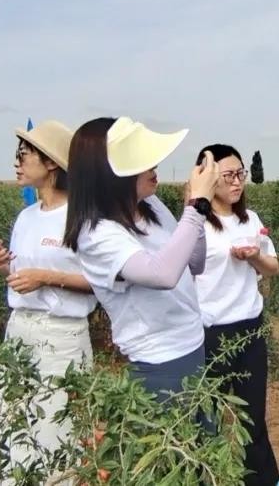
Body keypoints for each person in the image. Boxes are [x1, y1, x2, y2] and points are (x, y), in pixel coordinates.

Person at [63, 116, 218, 402]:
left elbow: (194, 264)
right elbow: (163, 275)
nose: (154, 167)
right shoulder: (96, 235)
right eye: (142, 162)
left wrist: (193, 212)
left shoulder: (150, 205)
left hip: (193, 344)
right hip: (159, 361)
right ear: (110, 173)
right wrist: (197, 209)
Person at [0, 120, 98, 485]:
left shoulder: (83, 217)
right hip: (20, 332)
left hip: (62, 338)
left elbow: (101, 283)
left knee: (55, 430)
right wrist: (4, 266)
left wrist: (46, 277)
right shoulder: (26, 217)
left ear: (50, 163)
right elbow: (22, 279)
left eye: (23, 154)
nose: (17, 162)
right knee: (14, 424)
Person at [190, 144, 279, 486]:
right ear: (209, 178)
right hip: (209, 333)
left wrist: (253, 257)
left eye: (240, 173)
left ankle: (263, 479)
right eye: (228, 175)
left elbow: (272, 268)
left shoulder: (251, 219)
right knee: (207, 416)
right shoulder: (196, 224)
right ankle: (209, 478)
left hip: (249, 330)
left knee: (252, 413)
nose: (237, 182)